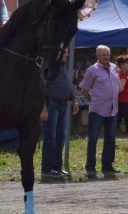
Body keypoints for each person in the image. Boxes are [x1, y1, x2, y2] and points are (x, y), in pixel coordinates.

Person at [80, 45, 121, 177]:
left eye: (108, 55)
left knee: (110, 138)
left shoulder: (115, 68)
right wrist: (93, 100)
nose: (106, 57)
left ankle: (107, 165)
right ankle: (91, 167)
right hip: (97, 109)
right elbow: (84, 89)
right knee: (93, 139)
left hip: (112, 109)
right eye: (104, 55)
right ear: (98, 56)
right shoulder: (92, 70)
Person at [41, 48, 79, 177]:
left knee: (61, 136)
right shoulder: (48, 66)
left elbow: (69, 85)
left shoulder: (63, 67)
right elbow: (41, 88)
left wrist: (74, 100)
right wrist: (43, 108)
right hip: (52, 103)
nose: (67, 54)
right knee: (50, 137)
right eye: (64, 52)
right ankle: (46, 168)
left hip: (63, 104)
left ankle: (57, 167)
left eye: (67, 52)